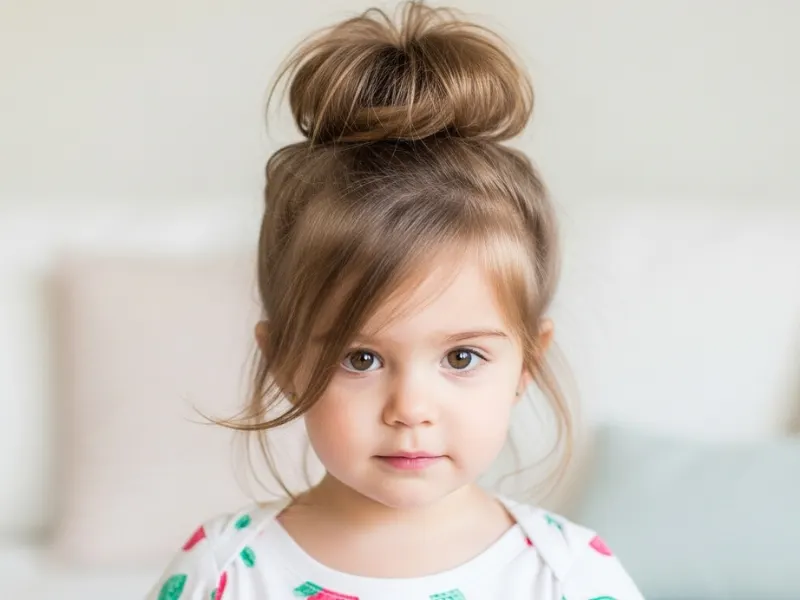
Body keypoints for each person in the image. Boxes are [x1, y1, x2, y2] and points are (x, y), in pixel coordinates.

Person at [146, 2, 644, 598]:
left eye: (461, 358)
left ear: (527, 364)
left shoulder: (570, 577)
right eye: (360, 358)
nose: (410, 409)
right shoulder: (222, 572)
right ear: (282, 357)